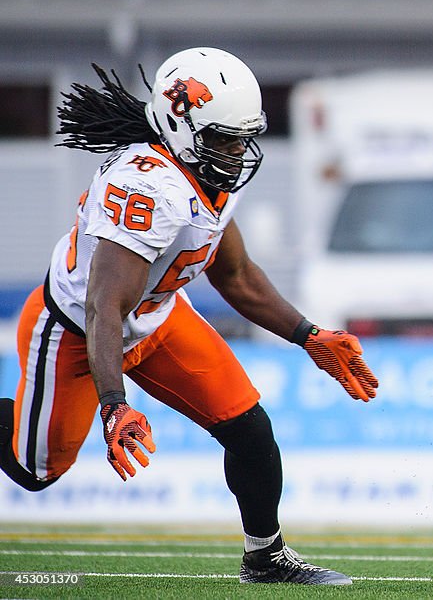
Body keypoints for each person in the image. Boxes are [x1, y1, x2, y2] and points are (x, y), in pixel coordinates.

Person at [0, 47, 378, 585]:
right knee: (37, 470)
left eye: (244, 136)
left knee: (250, 429)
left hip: (156, 317)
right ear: (181, 126)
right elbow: (103, 307)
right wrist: (114, 407)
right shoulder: (148, 185)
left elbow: (237, 275)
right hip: (76, 332)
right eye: (225, 136)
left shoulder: (206, 173)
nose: (238, 150)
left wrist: (307, 334)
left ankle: (264, 556)